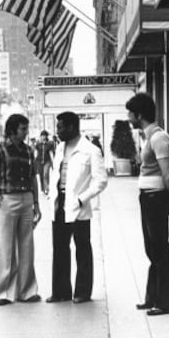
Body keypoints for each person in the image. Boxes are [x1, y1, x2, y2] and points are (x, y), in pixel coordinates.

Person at [126, 92, 169, 316]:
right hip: (147, 197)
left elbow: (167, 174)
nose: (128, 117)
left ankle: (167, 302)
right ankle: (153, 297)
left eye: (130, 113)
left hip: (156, 197)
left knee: (160, 248)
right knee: (152, 249)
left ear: (140, 114)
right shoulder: (148, 137)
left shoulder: (159, 138)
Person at [46, 111, 108, 304]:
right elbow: (55, 174)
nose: (57, 131)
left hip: (79, 206)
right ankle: (61, 292)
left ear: (72, 127)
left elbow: (101, 181)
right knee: (60, 249)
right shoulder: (59, 148)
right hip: (59, 204)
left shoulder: (90, 150)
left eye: (60, 127)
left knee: (82, 249)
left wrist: (82, 199)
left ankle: (82, 292)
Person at [0, 113, 41, 306]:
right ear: (12, 130)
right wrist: (0, 200)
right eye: (23, 129)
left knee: (27, 246)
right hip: (8, 199)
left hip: (26, 199)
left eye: (26, 128)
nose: (26, 132)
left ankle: (27, 291)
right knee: (6, 248)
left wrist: (36, 203)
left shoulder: (28, 150)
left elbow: (33, 176)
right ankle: (3, 293)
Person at [35, 130, 54, 195]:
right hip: (39, 161)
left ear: (46, 136)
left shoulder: (50, 144)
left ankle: (47, 189)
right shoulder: (38, 144)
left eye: (44, 136)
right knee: (41, 175)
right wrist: (34, 162)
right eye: (42, 136)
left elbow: (51, 153)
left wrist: (53, 162)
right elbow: (36, 153)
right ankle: (42, 189)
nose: (43, 137)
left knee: (45, 174)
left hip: (47, 161)